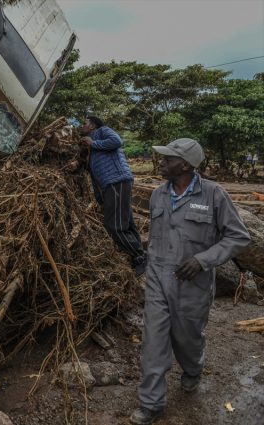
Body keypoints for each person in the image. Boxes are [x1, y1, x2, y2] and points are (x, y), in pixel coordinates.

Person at [130, 138, 251, 425]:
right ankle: (152, 403)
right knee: (153, 340)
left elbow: (238, 236)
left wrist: (203, 260)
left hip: (192, 283)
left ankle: (194, 368)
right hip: (158, 278)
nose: (160, 162)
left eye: (167, 159)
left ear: (184, 165)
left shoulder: (214, 194)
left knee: (187, 339)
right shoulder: (159, 194)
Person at [80, 116, 147, 277]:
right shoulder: (90, 148)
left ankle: (141, 257)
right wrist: (100, 199)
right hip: (111, 185)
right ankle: (138, 258)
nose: (81, 126)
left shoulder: (102, 132)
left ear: (93, 126)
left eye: (84, 124)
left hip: (117, 180)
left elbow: (116, 141)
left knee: (113, 226)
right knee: (128, 223)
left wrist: (93, 143)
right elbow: (94, 176)